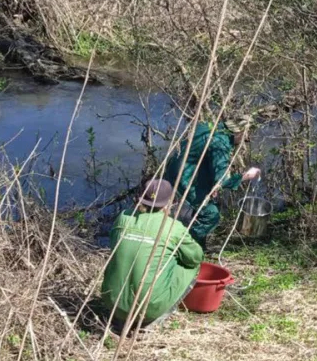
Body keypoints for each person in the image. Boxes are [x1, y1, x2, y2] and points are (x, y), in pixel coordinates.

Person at [100, 179, 203, 333]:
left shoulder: (123, 218)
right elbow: (195, 258)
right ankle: (154, 318)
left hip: (112, 301)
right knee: (192, 266)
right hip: (148, 308)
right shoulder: (174, 228)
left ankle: (121, 316)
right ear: (170, 203)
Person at [164, 115, 262, 247]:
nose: (246, 140)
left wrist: (211, 185)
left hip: (170, 176)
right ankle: (183, 245)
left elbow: (200, 159)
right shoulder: (220, 143)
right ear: (240, 132)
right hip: (185, 182)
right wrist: (246, 176)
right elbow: (223, 181)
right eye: (246, 136)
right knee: (211, 214)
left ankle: (188, 242)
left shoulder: (207, 127)